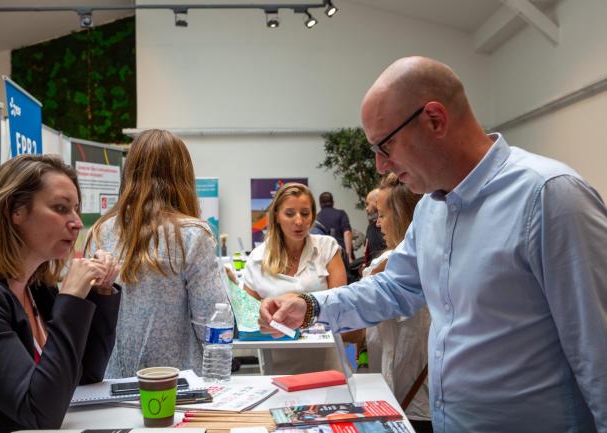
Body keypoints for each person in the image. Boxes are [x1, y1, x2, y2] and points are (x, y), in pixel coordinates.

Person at [258, 56, 607, 433]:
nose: (379, 166)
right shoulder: (431, 208)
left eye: (385, 146)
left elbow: (597, 350)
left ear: (435, 120)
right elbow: (396, 288)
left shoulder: (548, 196)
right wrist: (309, 306)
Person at [0, 154, 121, 433]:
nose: (77, 222)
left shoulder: (37, 287)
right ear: (16, 211)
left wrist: (100, 293)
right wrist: (70, 301)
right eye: (60, 208)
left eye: (76, 210)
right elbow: (40, 413)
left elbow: (86, 374)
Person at [86, 129, 228, 378]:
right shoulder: (193, 235)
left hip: (111, 380)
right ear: (183, 175)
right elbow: (211, 322)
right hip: (175, 384)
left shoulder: (100, 231)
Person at [243, 182, 346, 374]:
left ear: (313, 216)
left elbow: (340, 302)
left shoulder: (327, 248)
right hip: (277, 358)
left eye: (305, 213)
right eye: (290, 214)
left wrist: (293, 299)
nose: (298, 221)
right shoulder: (257, 259)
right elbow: (247, 318)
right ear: (277, 216)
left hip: (325, 357)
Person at [362, 173, 431, 432]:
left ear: (402, 216)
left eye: (382, 215)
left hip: (409, 401)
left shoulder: (390, 265)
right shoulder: (439, 260)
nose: (378, 224)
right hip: (423, 399)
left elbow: (360, 308)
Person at [316, 191, 355, 264]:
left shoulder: (316, 218)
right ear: (333, 202)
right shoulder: (341, 214)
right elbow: (347, 233)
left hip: (323, 257)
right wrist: (349, 256)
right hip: (341, 254)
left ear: (320, 204)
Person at [361, 188, 386, 271]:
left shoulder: (373, 228)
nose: (366, 208)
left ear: (377, 201)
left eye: (368, 204)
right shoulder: (371, 228)